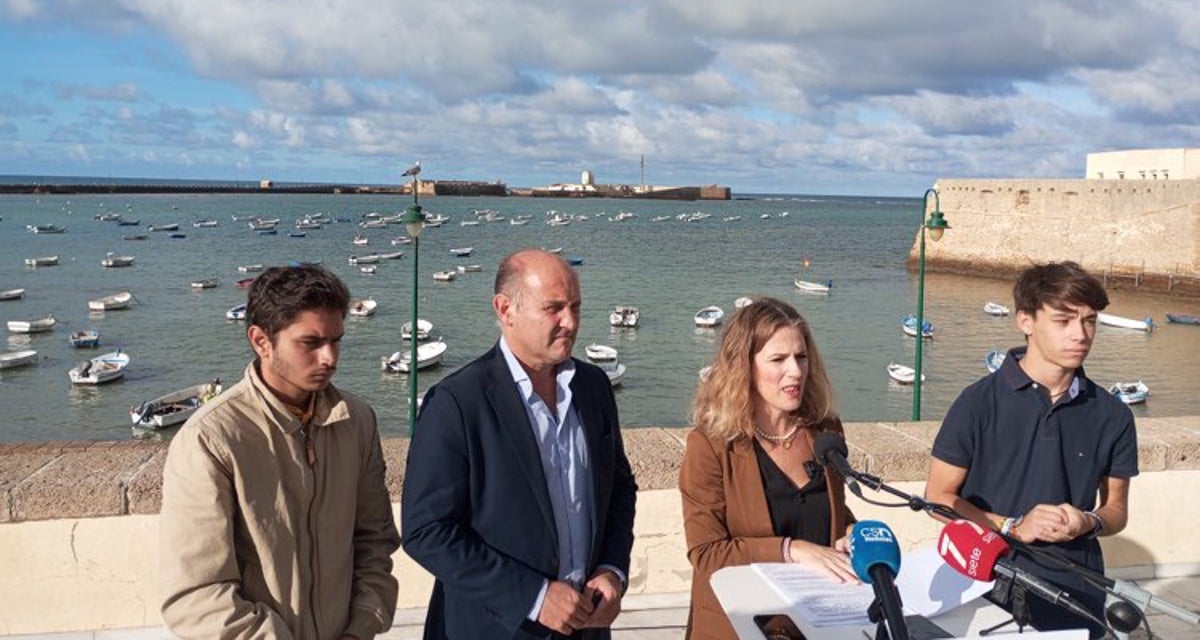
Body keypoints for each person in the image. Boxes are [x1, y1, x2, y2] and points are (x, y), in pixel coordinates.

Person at [402, 249, 638, 639]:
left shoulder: (594, 387)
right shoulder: (457, 403)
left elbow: (619, 488)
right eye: (554, 308)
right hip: (495, 629)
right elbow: (426, 531)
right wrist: (535, 596)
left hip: (588, 627)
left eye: (576, 307)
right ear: (505, 309)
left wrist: (613, 569)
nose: (571, 322)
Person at [160, 264, 401, 640]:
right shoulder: (211, 438)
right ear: (261, 340)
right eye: (311, 342)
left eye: (336, 340)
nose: (330, 358)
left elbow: (374, 542)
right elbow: (197, 594)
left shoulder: (357, 421)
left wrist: (362, 626)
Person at [925, 261, 1138, 637]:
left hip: (1077, 591)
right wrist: (1012, 526)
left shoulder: (1113, 414)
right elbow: (939, 499)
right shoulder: (976, 403)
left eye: (1090, 321)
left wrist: (1089, 521)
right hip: (984, 587)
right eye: (1064, 320)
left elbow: (1116, 510)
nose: (1081, 334)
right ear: (1026, 321)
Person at [679, 298, 859, 640]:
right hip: (740, 626)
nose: (796, 371)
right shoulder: (711, 445)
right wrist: (791, 550)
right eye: (778, 359)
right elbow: (706, 552)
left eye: (801, 357)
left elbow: (830, 512)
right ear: (743, 366)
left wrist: (853, 534)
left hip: (821, 624)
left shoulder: (826, 431)